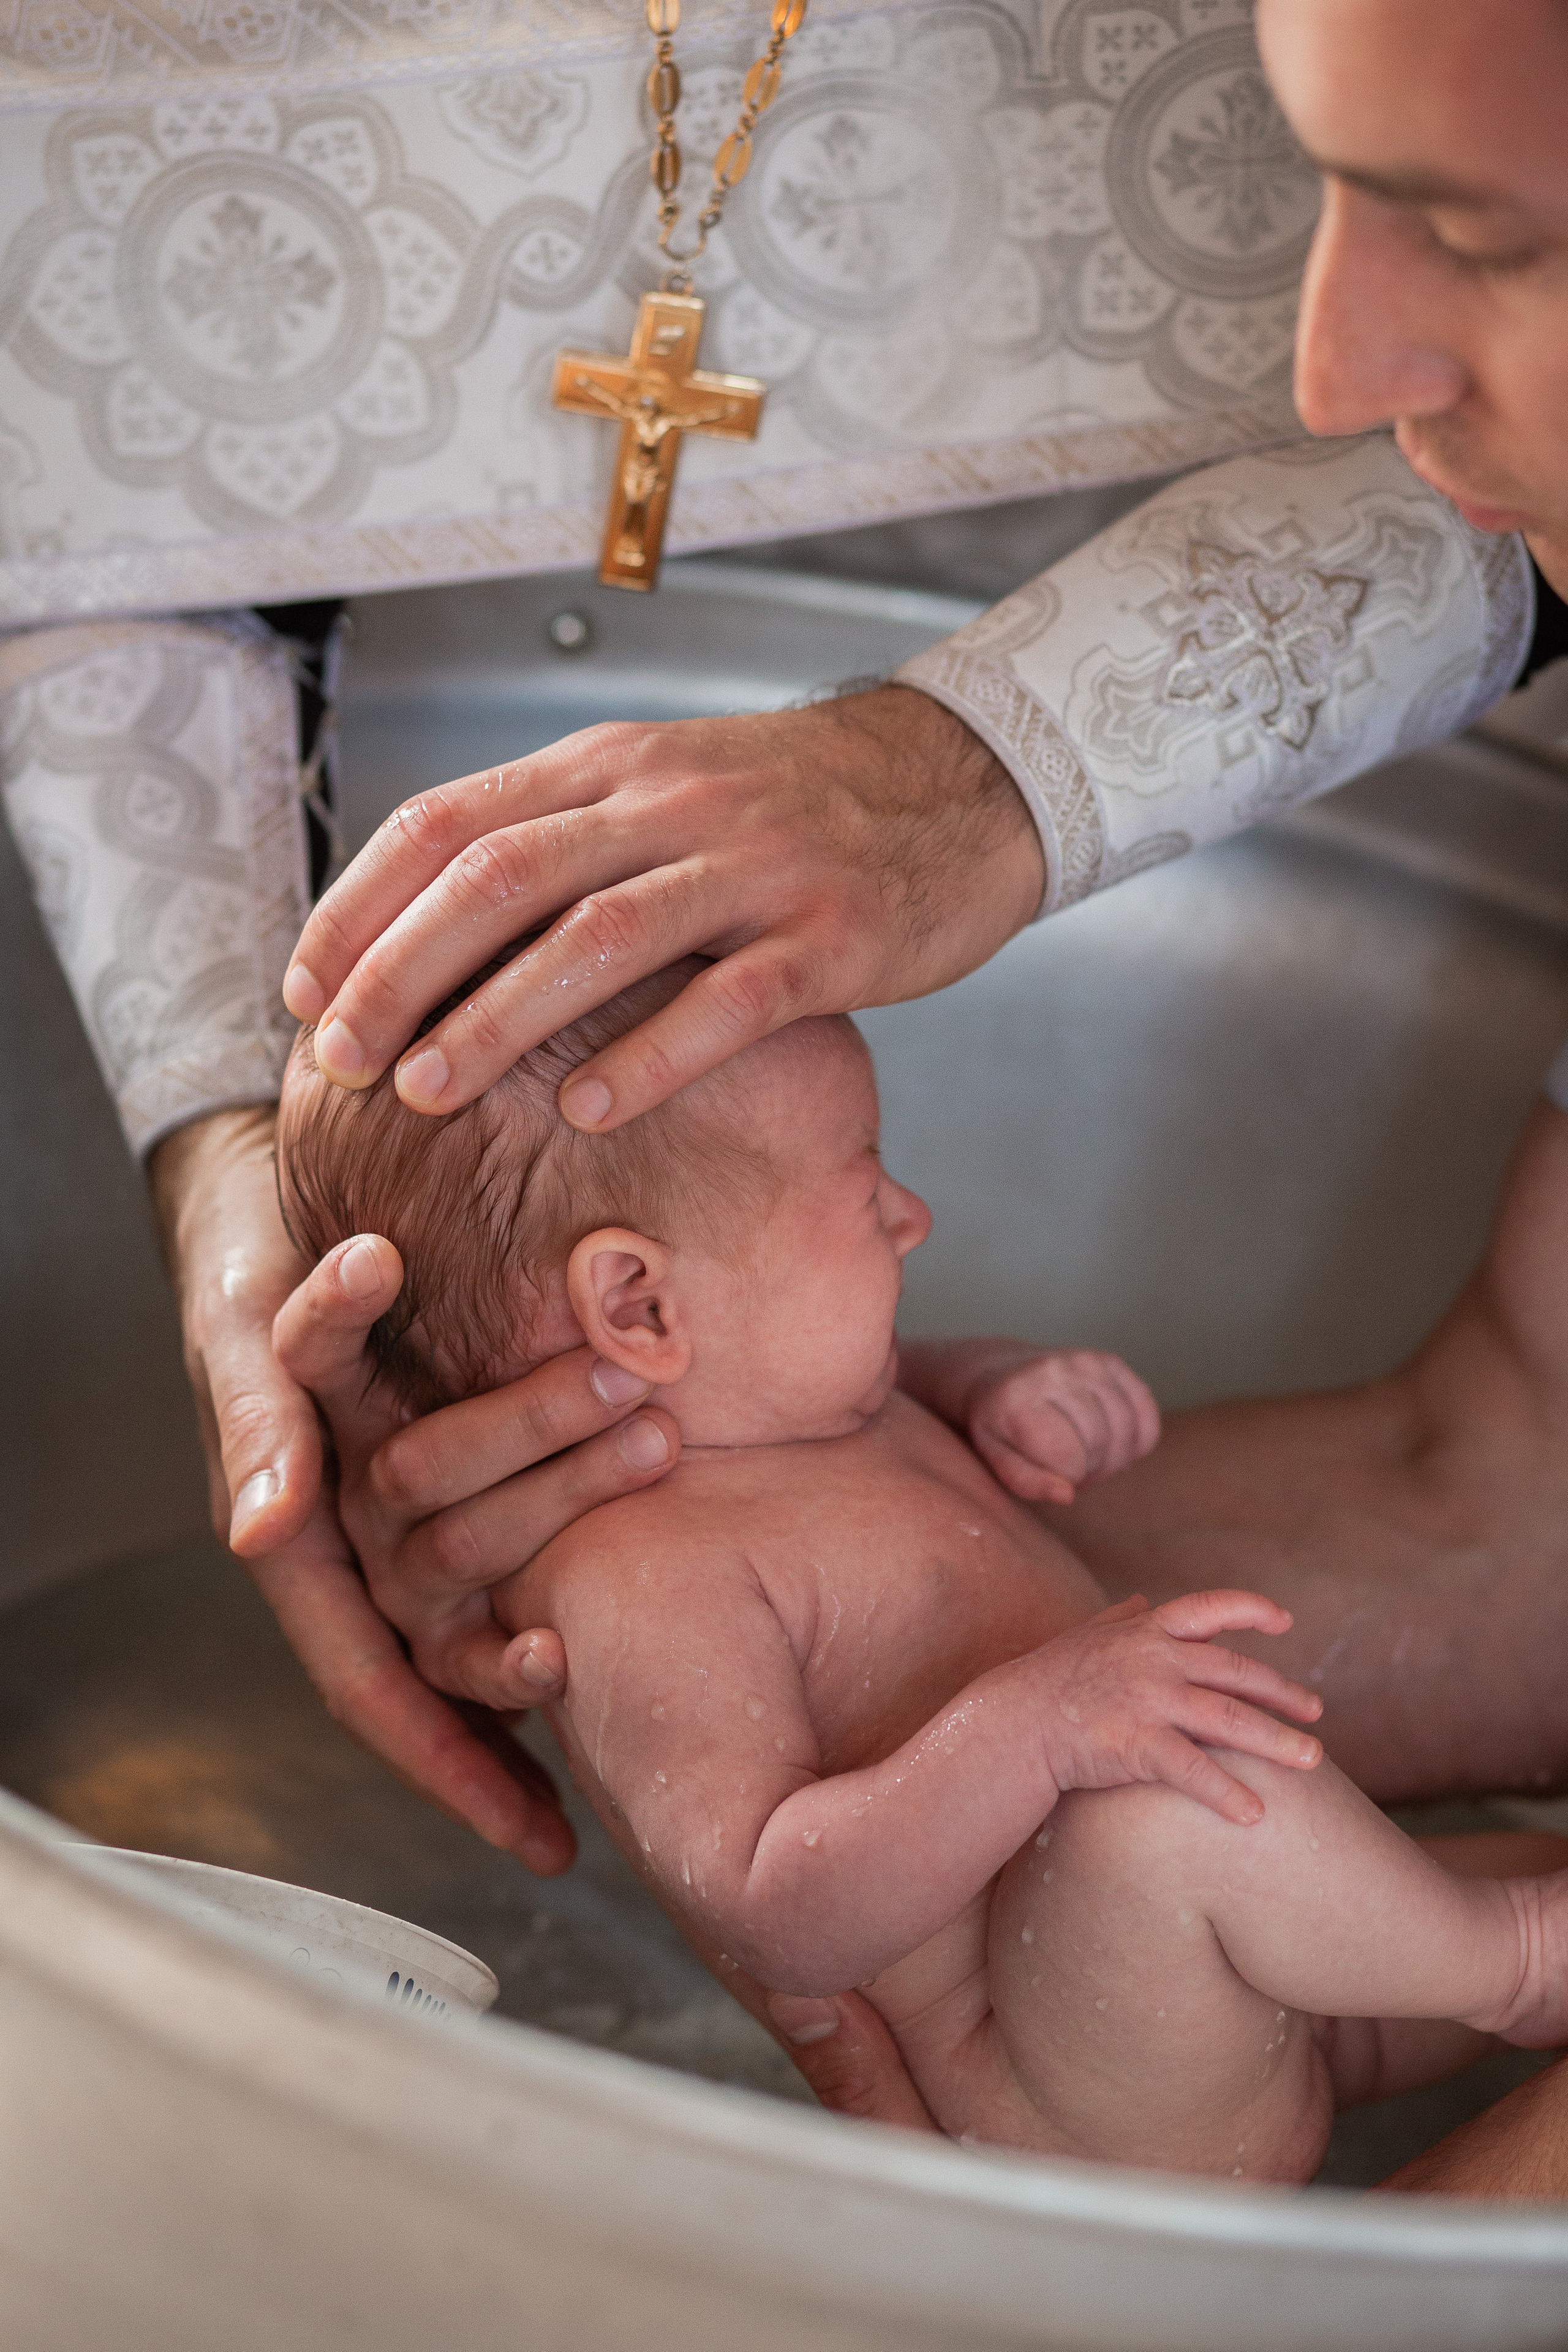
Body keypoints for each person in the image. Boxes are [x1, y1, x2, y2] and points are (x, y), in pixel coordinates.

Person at [13, 0, 1568, 2186]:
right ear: (641, 1311)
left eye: (1468, 228)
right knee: (1126, 1749)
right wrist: (227, 1136)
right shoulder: (707, 1498)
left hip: (1145, 2011)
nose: (1338, 367)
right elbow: (95, 348)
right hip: (1095, 1998)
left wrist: (1018, 757)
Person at [273, 956, 1568, 2184]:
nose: (911, 1215)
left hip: (1207, 1996)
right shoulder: (639, 1571)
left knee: (1406, 1832)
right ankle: (1506, 1967)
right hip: (1085, 2095)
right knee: (1158, 1792)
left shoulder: (785, 1395)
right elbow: (769, 1901)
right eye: (864, 1178)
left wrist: (999, 1391)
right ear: (642, 1307)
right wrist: (1038, 1730)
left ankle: (1463, 1946)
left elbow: (898, 1412)